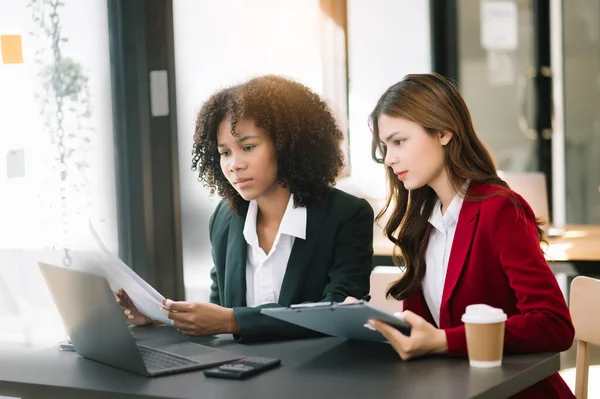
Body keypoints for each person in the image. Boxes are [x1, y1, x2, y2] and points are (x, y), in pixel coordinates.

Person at [349, 73, 574, 398]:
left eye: (399, 142)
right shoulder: (424, 222)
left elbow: (554, 324)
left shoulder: (499, 209)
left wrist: (443, 341)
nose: (389, 158)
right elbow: (428, 328)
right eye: (385, 146)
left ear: (443, 131)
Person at [117, 75, 374, 343]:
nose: (234, 164)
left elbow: (338, 311)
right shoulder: (224, 218)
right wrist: (159, 320)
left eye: (248, 147)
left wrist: (233, 320)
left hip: (317, 376)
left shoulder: (347, 215)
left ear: (288, 145)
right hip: (241, 375)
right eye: (225, 152)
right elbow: (216, 316)